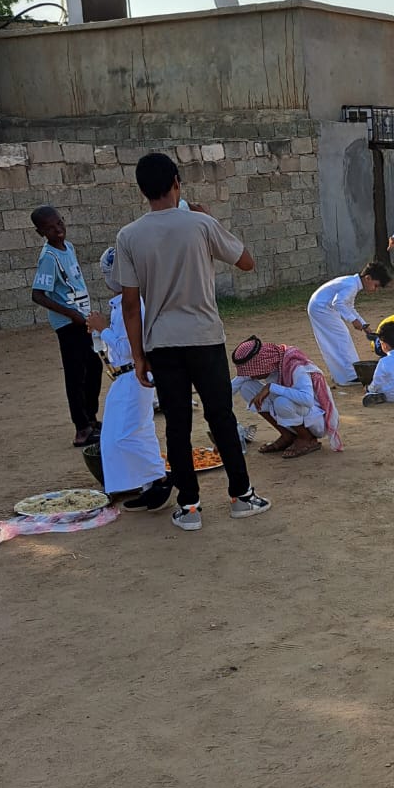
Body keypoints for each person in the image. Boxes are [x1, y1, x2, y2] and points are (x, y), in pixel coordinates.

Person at [114, 151, 270, 532]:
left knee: (177, 424)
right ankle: (242, 495)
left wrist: (138, 356)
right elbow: (247, 261)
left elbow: (130, 305)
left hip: (161, 344)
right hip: (204, 337)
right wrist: (210, 220)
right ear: (177, 183)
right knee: (221, 416)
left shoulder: (129, 236)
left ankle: (189, 506)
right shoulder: (200, 224)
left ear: (142, 191)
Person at [86, 247, 169, 506]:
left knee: (123, 435)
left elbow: (127, 349)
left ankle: (158, 478)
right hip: (126, 376)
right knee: (134, 431)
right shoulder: (123, 305)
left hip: (133, 374)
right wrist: (101, 333)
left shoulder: (130, 306)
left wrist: (103, 329)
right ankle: (148, 484)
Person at [30, 205, 102, 447]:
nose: (58, 230)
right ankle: (81, 428)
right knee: (76, 374)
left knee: (93, 367)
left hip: (82, 319)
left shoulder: (68, 248)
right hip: (68, 325)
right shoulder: (49, 258)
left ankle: (90, 418)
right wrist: (70, 313)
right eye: (50, 228)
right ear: (41, 232)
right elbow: (38, 294)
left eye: (59, 223)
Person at [230, 336, 342, 456]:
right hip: (297, 410)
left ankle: (307, 438)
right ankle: (287, 435)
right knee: (246, 387)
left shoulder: (296, 366)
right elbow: (233, 386)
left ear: (263, 364)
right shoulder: (267, 364)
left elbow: (307, 399)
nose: (251, 376)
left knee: (282, 402)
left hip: (315, 419)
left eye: (252, 372)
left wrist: (271, 387)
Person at [306, 263, 393, 386]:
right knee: (341, 338)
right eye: (376, 285)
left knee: (337, 340)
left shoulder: (353, 283)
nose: (375, 289)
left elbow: (349, 307)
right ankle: (349, 376)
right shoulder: (351, 285)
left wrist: (363, 324)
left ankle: (342, 375)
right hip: (321, 308)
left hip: (322, 307)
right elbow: (338, 303)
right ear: (367, 278)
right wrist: (353, 320)